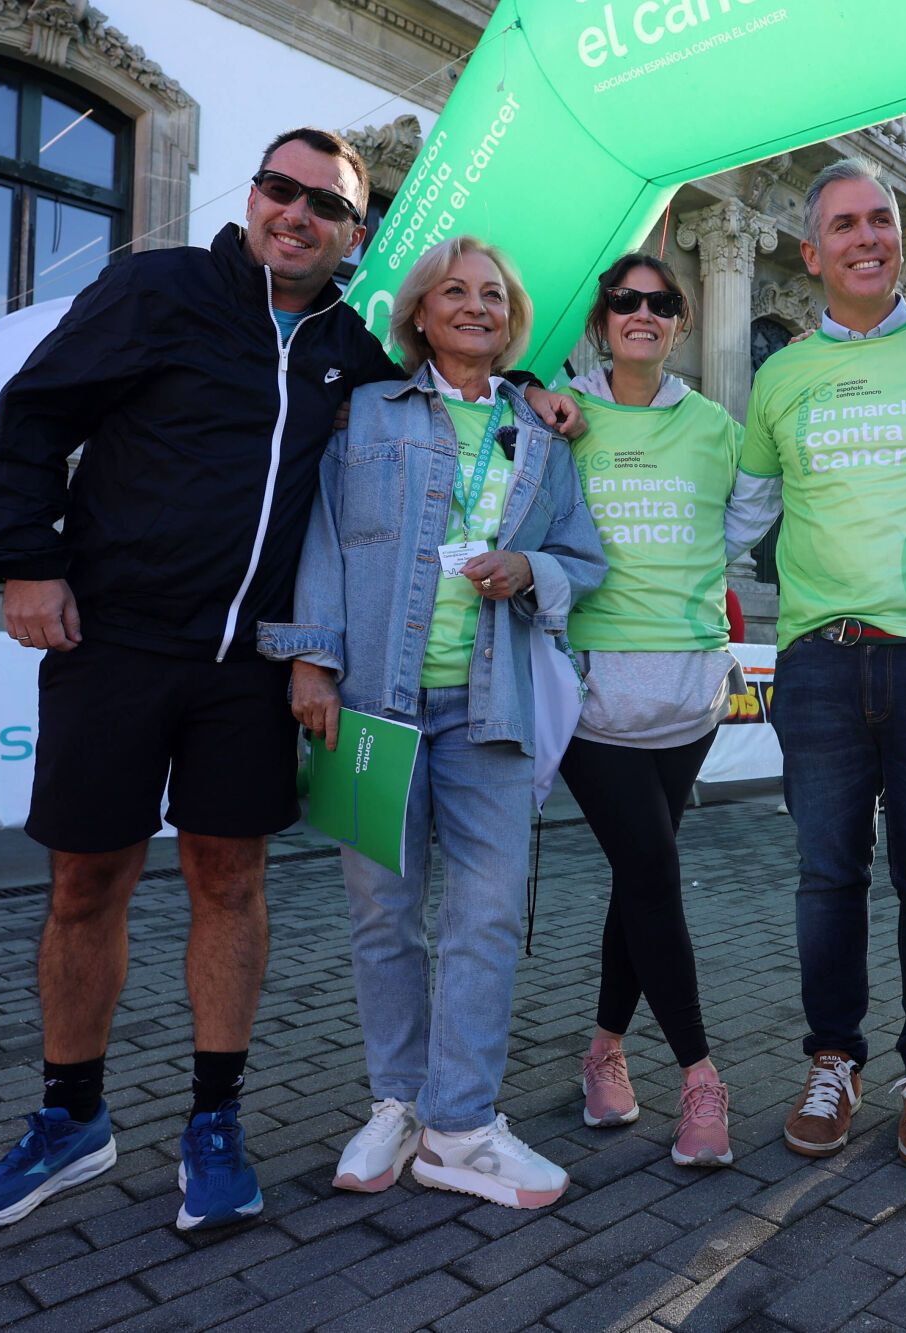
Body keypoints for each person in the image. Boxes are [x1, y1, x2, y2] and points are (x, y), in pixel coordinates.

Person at [0, 129, 585, 1233]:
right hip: (116, 642)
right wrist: (27, 559)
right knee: (84, 884)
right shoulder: (157, 289)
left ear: (352, 234)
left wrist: (533, 385)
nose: (296, 213)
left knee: (228, 883)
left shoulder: (352, 355)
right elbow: (31, 419)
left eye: (324, 204)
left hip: (251, 664)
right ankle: (69, 1120)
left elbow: (452, 390)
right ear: (253, 198)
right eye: (279, 189)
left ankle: (215, 1122)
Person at [263, 235, 605, 1207]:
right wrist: (311, 666)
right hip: (371, 702)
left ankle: (459, 1121)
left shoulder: (541, 433)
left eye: (492, 294)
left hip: (490, 706)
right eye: (453, 291)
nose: (475, 306)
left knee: (485, 914)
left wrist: (533, 569)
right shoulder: (362, 414)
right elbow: (320, 537)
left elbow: (582, 555)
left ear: (513, 318)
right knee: (380, 913)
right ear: (418, 312)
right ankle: (398, 1101)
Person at [728, 158, 906, 1171]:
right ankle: (831, 1062)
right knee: (825, 878)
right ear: (812, 253)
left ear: (899, 239)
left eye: (878, 220)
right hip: (817, 663)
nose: (864, 237)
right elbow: (742, 517)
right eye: (842, 225)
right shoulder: (778, 375)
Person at [555, 251, 744, 1167]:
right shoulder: (559, 416)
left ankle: (603, 1051)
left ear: (678, 323)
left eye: (660, 303)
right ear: (601, 321)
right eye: (624, 300)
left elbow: (743, 523)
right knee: (655, 872)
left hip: (687, 695)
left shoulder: (715, 426)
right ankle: (700, 1076)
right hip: (589, 696)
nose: (642, 313)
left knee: (642, 875)